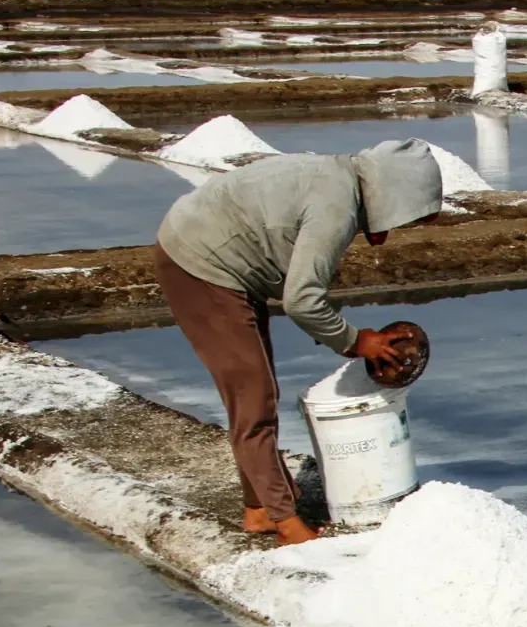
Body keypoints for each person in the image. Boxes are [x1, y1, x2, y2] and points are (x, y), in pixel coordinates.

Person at [152, 139, 442, 545]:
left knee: (256, 389)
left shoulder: (340, 176)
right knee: (253, 398)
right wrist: (357, 342)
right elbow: (302, 300)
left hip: (213, 250)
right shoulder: (335, 207)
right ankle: (286, 524)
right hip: (200, 263)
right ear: (394, 193)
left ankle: (259, 508)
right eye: (406, 214)